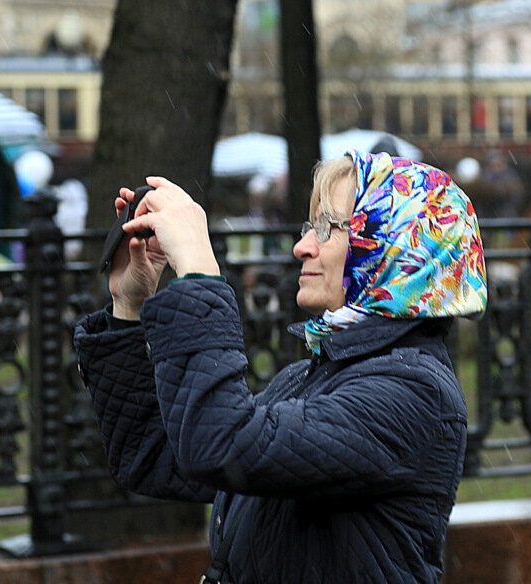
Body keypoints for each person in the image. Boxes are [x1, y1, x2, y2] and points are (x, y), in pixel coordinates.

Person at [74, 150, 487, 583]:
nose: (302, 245)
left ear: (398, 247)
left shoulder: (414, 394)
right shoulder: (315, 375)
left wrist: (199, 270)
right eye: (312, 226)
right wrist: (130, 304)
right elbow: (155, 454)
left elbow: (221, 443)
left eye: (329, 228)